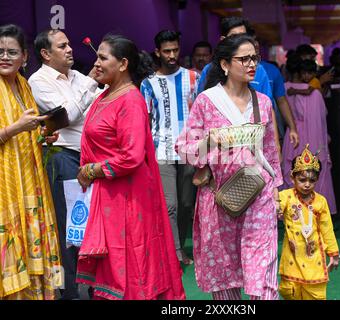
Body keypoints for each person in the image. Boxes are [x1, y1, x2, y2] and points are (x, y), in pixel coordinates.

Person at [75, 34, 185, 300]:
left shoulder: (130, 101)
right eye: (97, 56)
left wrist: (92, 170)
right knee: (113, 265)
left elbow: (132, 156)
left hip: (127, 198)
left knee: (129, 266)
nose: (96, 63)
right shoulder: (105, 96)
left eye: (103, 57)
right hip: (107, 196)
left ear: (123, 64)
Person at [176, 34, 282, 300]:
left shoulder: (264, 103)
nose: (251, 64)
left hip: (260, 194)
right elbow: (185, 149)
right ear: (225, 64)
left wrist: (277, 191)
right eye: (243, 59)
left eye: (254, 58)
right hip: (219, 199)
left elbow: (269, 151)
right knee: (224, 275)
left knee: (264, 269)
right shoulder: (206, 101)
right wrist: (211, 142)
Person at [28, 29, 101, 300]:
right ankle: (69, 293)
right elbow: (67, 115)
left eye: (70, 44)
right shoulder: (38, 80)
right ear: (46, 54)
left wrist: (90, 85)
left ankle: (92, 289)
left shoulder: (76, 77)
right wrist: (91, 84)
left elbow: (97, 107)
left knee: (89, 228)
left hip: (88, 160)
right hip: (62, 157)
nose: (70, 49)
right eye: (62, 46)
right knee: (68, 230)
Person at [0, 24, 62, 300]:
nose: (4, 57)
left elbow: (26, 130)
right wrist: (15, 128)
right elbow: (13, 130)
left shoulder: (24, 86)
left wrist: (42, 135)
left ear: (25, 57)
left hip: (28, 178)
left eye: (11, 52)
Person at [140, 30, 199, 265]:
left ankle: (178, 245)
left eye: (175, 49)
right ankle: (174, 252)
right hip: (161, 150)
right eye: (167, 51)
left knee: (187, 204)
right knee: (170, 205)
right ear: (158, 52)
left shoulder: (194, 77)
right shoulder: (148, 83)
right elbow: (145, 118)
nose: (172, 55)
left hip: (189, 148)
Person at [198, 17, 299, 149]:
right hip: (220, 149)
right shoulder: (209, 71)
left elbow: (269, 110)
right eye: (235, 37)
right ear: (223, 40)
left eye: (244, 37)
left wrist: (276, 146)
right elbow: (200, 111)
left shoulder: (259, 70)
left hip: (255, 146)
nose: (240, 42)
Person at [277, 145, 339, 300]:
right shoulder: (286, 196)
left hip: (313, 258)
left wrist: (334, 253)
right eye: (302, 180)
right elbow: (276, 204)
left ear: (317, 180)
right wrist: (276, 207)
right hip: (292, 257)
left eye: (312, 180)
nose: (307, 184)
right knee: (289, 290)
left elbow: (327, 229)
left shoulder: (320, 201)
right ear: (292, 178)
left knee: (315, 294)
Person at [282, 59, 337, 214]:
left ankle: (292, 209)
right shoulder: (316, 92)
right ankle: (315, 209)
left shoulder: (286, 89)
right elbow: (321, 117)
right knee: (315, 169)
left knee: (292, 170)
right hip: (313, 136)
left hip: (293, 134)